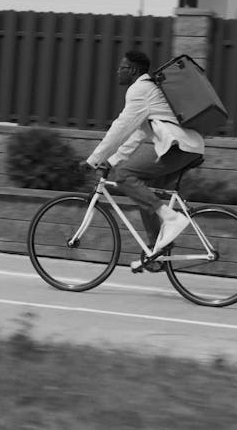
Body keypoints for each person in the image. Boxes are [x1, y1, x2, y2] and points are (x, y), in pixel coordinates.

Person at [83, 50, 205, 270]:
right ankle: (156, 251)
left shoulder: (139, 90)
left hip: (178, 147)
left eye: (122, 67)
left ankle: (172, 218)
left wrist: (93, 159)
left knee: (124, 176)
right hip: (188, 147)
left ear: (133, 70)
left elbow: (120, 128)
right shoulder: (149, 89)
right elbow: (138, 133)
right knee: (144, 193)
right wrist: (111, 160)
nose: (118, 71)